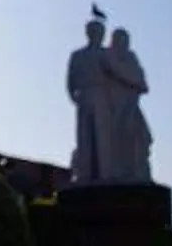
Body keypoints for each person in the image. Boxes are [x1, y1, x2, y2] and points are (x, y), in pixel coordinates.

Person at [65, 18, 114, 185]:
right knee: (84, 136)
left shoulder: (108, 54)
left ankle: (105, 172)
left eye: (100, 32)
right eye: (94, 32)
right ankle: (84, 173)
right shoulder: (77, 55)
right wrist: (74, 96)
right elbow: (70, 79)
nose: (97, 35)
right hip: (84, 94)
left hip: (102, 95)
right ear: (88, 33)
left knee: (103, 134)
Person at [101, 27, 153, 183]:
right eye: (121, 39)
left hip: (131, 106)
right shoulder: (107, 56)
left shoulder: (131, 57)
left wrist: (130, 77)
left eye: (126, 40)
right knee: (119, 139)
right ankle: (120, 171)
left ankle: (138, 172)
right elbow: (118, 73)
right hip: (114, 107)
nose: (124, 43)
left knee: (143, 137)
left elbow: (143, 83)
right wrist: (130, 77)